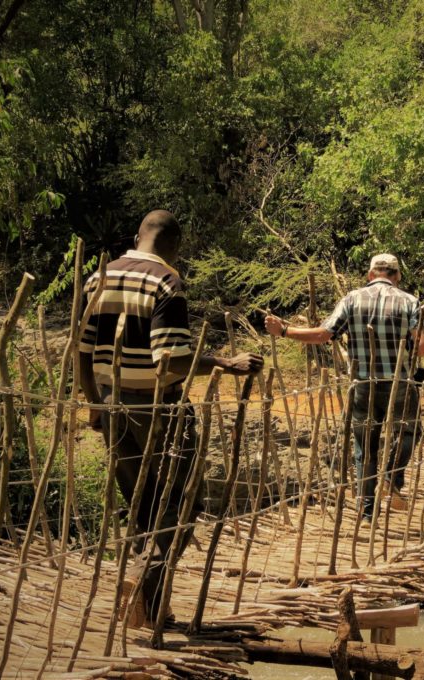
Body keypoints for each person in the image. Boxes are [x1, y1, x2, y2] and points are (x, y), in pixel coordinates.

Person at [79, 209, 263, 628]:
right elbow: (170, 361)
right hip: (158, 409)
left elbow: (81, 351)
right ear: (175, 245)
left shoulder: (99, 277)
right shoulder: (166, 282)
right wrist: (224, 361)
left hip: (112, 405)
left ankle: (146, 597)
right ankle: (147, 586)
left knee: (141, 504)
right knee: (179, 504)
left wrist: (94, 403)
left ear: (137, 235)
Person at [265, 254, 424, 523]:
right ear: (397, 276)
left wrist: (285, 330)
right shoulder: (410, 301)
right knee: (409, 430)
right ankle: (390, 478)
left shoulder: (352, 299)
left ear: (370, 275)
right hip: (400, 381)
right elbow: (422, 347)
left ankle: (366, 512)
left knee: (365, 445)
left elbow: (322, 335)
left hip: (363, 382)